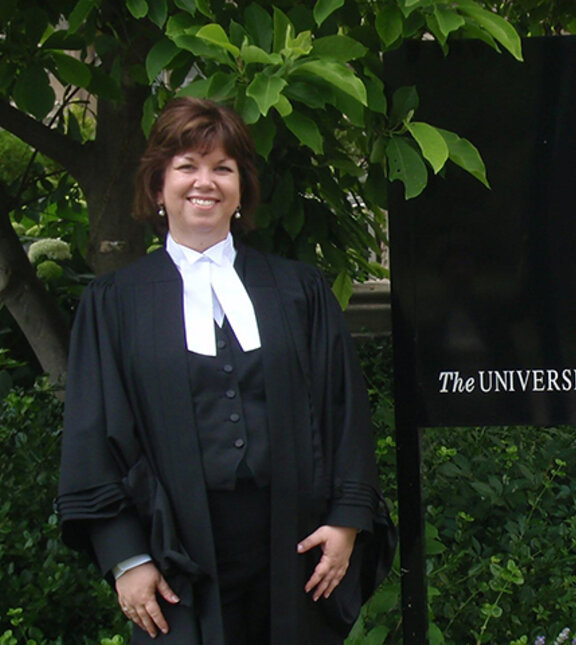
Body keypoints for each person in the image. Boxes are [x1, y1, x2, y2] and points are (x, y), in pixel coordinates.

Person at [56, 96, 396, 644]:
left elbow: (344, 408)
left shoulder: (298, 290)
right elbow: (93, 432)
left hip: (295, 543)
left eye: (223, 168)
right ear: (157, 185)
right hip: (176, 551)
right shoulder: (114, 302)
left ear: (241, 189)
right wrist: (125, 556)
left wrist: (346, 520)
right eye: (187, 166)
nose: (204, 182)